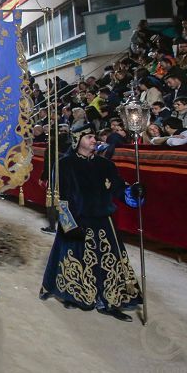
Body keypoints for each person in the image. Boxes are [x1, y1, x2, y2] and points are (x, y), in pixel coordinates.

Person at [39, 126, 142, 321]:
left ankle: (109, 300)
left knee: (109, 261)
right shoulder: (64, 165)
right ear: (78, 140)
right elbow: (58, 196)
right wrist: (69, 224)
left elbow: (119, 190)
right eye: (89, 137)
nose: (94, 140)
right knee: (76, 260)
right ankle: (73, 295)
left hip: (104, 220)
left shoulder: (106, 165)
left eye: (94, 137)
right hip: (78, 220)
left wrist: (134, 192)